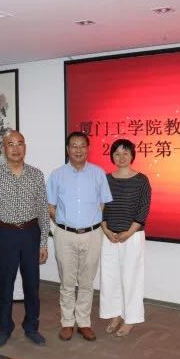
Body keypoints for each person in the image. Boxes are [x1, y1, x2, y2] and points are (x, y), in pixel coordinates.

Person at [0, 130, 50, 348]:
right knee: (5, 284)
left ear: (25, 147)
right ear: (4, 149)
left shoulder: (36, 175)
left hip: (31, 234)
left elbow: (43, 211)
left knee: (32, 284)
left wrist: (43, 243)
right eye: (10, 144)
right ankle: (4, 328)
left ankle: (32, 327)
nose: (15, 148)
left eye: (20, 143)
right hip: (5, 235)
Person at [46, 131, 112, 342]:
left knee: (86, 281)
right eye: (73, 146)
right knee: (67, 281)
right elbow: (50, 206)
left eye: (82, 145)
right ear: (67, 149)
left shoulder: (98, 173)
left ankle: (83, 322)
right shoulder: (57, 175)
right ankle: (67, 322)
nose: (78, 150)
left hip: (92, 235)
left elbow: (103, 203)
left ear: (88, 149)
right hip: (65, 235)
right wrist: (64, 223)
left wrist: (90, 223)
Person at [100, 139, 151, 337]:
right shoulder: (105, 179)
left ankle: (131, 318)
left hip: (132, 236)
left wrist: (129, 233)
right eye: (117, 153)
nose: (121, 157)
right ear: (112, 156)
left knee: (131, 278)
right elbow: (100, 207)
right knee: (110, 277)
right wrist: (105, 230)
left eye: (125, 153)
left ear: (132, 156)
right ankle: (115, 315)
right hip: (109, 236)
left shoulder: (141, 180)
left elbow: (143, 209)